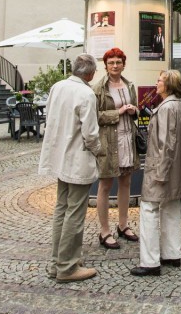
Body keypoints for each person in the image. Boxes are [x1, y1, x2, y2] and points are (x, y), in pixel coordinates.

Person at [38, 54, 103, 283]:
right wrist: (98, 150)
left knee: (61, 208)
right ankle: (67, 266)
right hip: (77, 158)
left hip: (60, 156)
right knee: (75, 212)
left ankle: (58, 261)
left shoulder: (57, 87)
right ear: (90, 73)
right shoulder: (86, 93)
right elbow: (91, 133)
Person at [131, 69, 181, 276]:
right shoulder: (178, 105)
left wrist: (160, 172)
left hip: (162, 166)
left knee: (149, 209)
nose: (156, 83)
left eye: (159, 80)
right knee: (171, 206)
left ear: (168, 85)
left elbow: (167, 143)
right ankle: (172, 253)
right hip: (176, 167)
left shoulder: (167, 108)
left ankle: (150, 262)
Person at [93, 48, 140, 250]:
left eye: (118, 62)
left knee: (126, 181)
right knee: (105, 185)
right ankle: (104, 231)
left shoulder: (129, 85)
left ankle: (122, 224)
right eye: (111, 62)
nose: (114, 66)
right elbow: (96, 116)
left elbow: (136, 110)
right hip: (109, 140)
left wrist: (134, 110)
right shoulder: (99, 88)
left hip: (128, 138)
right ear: (106, 65)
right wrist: (119, 112)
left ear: (123, 64)